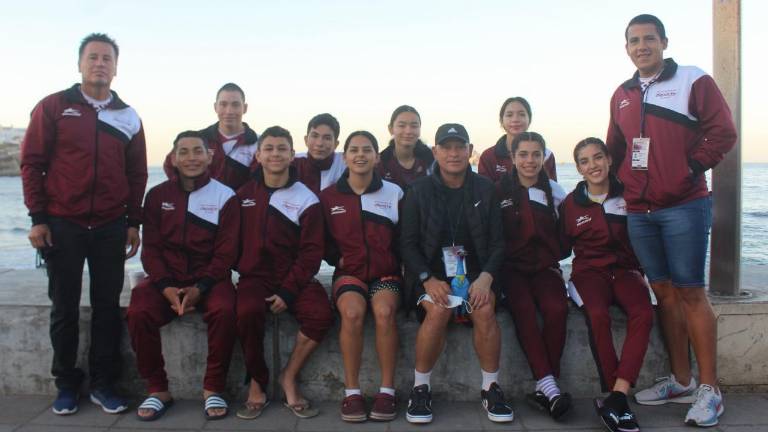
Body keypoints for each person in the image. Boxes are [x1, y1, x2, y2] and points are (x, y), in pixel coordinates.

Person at [606, 14, 737, 428]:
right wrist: (618, 184)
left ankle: (710, 389)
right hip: (640, 211)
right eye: (633, 40)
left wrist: (688, 169)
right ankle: (682, 380)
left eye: (648, 39)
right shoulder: (622, 94)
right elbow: (616, 148)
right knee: (663, 294)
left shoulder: (693, 81)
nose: (641, 46)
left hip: (683, 205)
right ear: (626, 47)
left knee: (691, 293)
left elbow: (723, 132)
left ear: (663, 41)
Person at [21, 33, 147, 415]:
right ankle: (66, 383)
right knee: (64, 308)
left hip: (110, 225)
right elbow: (32, 164)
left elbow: (136, 173)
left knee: (108, 307)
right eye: (93, 57)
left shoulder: (127, 115)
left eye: (107, 58)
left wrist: (133, 223)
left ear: (115, 67)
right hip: (63, 224)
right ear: (80, 64)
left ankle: (104, 383)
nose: (100, 64)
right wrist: (38, 218)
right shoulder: (55, 107)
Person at [400, 123, 513, 424]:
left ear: (469, 151)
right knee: (438, 310)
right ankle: (420, 389)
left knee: (485, 307)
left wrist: (486, 277)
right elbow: (407, 245)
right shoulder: (417, 190)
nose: (453, 153)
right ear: (435, 151)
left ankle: (490, 388)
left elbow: (500, 242)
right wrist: (427, 277)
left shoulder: (486, 189)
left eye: (459, 147)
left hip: (475, 273)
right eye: (446, 147)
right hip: (430, 274)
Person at [126, 131, 239, 421]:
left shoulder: (225, 197)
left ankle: (213, 387)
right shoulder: (157, 196)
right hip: (168, 280)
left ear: (209, 156)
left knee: (226, 310)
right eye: (184, 152)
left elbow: (225, 255)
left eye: (197, 151)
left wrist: (200, 288)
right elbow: (151, 250)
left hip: (210, 281)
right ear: (174, 159)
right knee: (138, 308)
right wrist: (165, 287)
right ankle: (157, 389)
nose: (191, 158)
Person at [235, 126, 334, 420]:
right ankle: (257, 379)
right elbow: (231, 243)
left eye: (282, 149)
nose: (275, 154)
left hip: (296, 277)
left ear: (292, 155)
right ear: (258, 154)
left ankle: (288, 376)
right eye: (269, 148)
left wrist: (289, 291)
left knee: (321, 315)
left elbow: (312, 253)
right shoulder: (242, 196)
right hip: (255, 277)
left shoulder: (307, 198)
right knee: (245, 312)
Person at [560, 138, 654, 432]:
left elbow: (648, 234)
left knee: (644, 313)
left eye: (598, 157)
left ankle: (618, 395)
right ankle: (615, 396)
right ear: (578, 168)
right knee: (597, 314)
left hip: (626, 271)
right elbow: (560, 246)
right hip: (589, 274)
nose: (593, 165)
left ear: (609, 160)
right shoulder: (571, 204)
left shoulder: (629, 194)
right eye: (585, 161)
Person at [321, 131, 404, 422]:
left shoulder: (393, 193)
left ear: (377, 156)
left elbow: (405, 238)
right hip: (349, 275)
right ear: (345, 157)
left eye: (367, 149)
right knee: (353, 313)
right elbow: (320, 239)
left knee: (383, 311)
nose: (360, 155)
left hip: (386, 273)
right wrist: (335, 258)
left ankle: (387, 391)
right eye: (354, 150)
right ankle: (352, 392)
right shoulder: (329, 197)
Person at [497, 132, 571, 420]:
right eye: (523, 154)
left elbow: (566, 236)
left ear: (544, 157)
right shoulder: (498, 191)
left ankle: (545, 386)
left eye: (536, 154)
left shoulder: (555, 191)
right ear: (513, 158)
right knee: (524, 310)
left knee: (557, 309)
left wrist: (554, 258)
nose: (530, 161)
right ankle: (551, 387)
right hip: (511, 270)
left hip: (545, 269)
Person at [162, 83, 258, 190]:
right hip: (201, 205)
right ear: (215, 107)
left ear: (244, 108)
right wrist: (186, 191)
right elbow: (170, 164)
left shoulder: (257, 143)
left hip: (240, 204)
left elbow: (259, 181)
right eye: (223, 104)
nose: (229, 111)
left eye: (235, 105)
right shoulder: (199, 139)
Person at [478, 97, 557, 183]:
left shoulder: (546, 155)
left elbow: (552, 190)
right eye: (509, 115)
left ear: (529, 119)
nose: (515, 119)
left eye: (521, 114)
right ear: (501, 120)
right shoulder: (489, 156)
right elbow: (484, 192)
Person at [377, 105, 434, 189]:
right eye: (402, 125)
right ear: (391, 129)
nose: (408, 131)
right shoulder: (381, 162)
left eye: (414, 126)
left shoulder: (432, 161)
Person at [292, 113, 346, 194]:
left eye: (327, 138)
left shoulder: (346, 163)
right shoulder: (293, 162)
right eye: (315, 136)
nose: (319, 143)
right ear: (306, 140)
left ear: (336, 144)